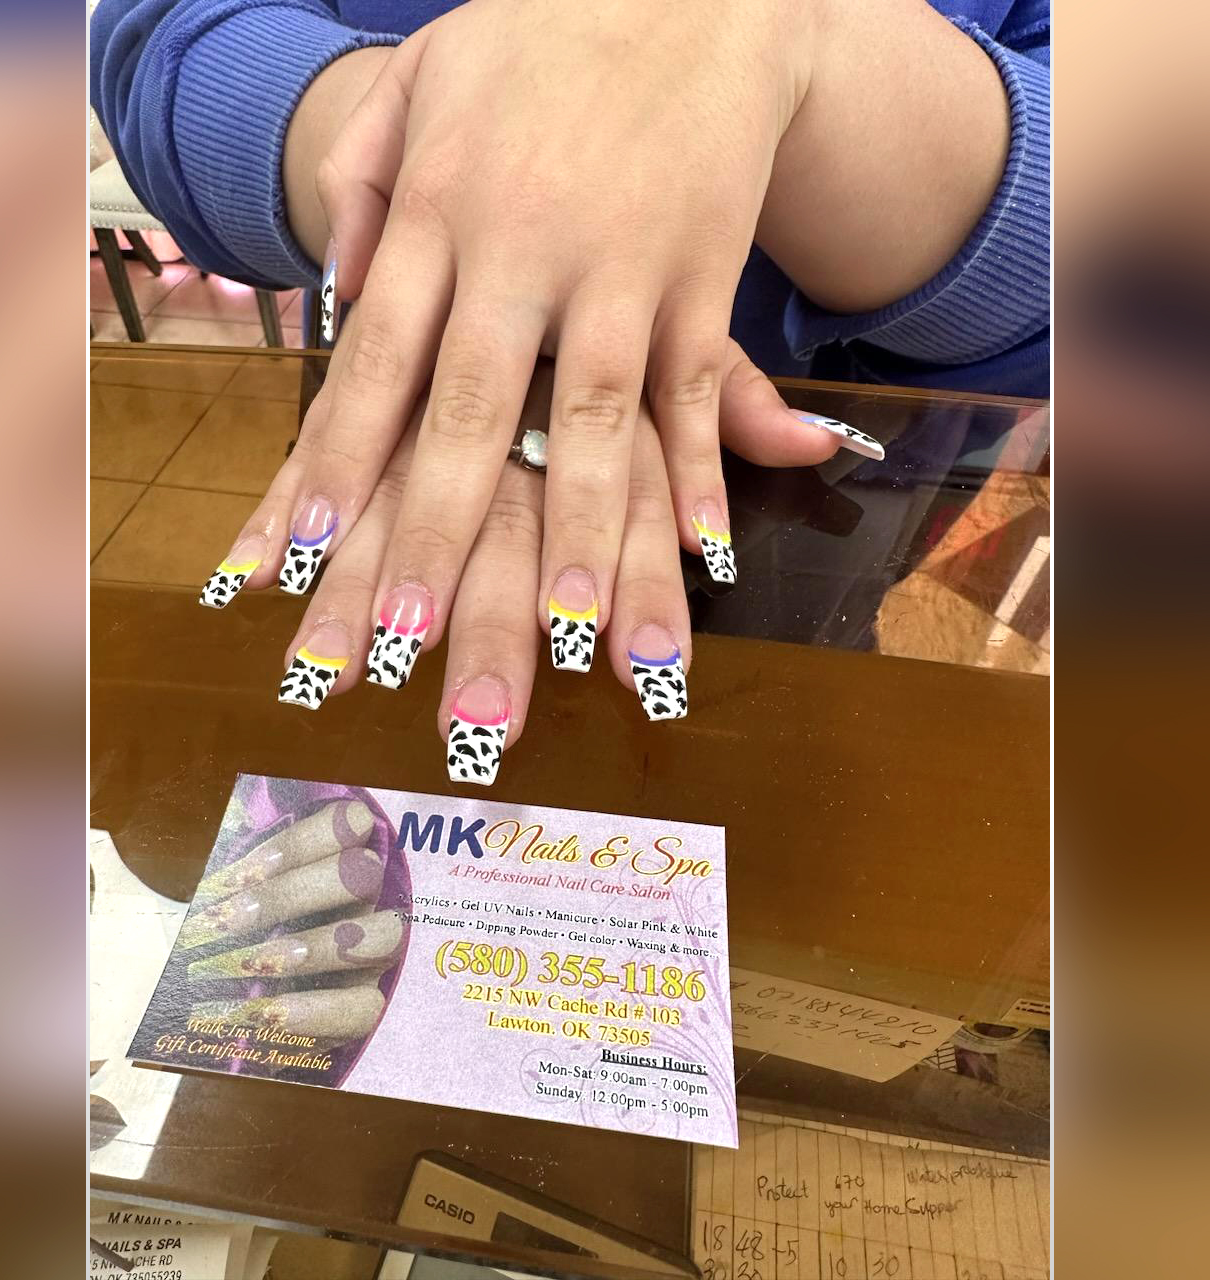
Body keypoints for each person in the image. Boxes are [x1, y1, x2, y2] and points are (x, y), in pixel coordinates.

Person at [91, 0, 1048, 783]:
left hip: (790, 537)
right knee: (364, 838)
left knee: (752, 827)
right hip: (393, 479)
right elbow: (152, 39)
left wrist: (785, 38)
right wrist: (462, 166)